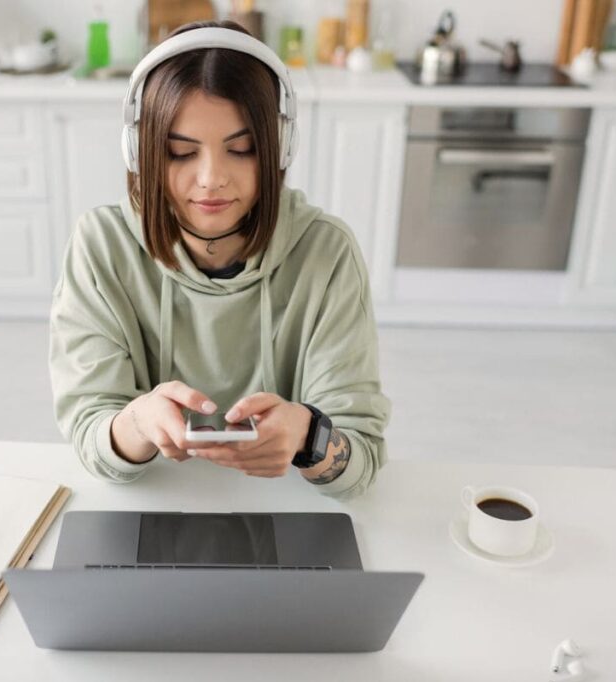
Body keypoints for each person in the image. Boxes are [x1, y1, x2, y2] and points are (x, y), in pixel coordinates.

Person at [49, 21, 390, 498]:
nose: (212, 178)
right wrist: (138, 423)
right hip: (155, 500)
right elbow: (92, 438)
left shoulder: (325, 252)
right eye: (181, 152)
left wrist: (309, 438)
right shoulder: (101, 246)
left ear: (279, 147)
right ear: (139, 151)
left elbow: (362, 459)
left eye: (242, 149)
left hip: (288, 505)